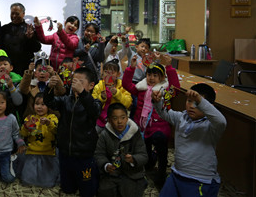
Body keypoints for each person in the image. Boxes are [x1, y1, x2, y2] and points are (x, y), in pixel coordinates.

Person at [152, 83, 227, 197]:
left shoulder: (212, 126)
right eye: (189, 101)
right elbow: (164, 113)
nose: (192, 106)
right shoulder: (181, 118)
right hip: (176, 174)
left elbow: (221, 121)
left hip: (199, 180)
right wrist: (158, 101)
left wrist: (201, 101)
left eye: (197, 104)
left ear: (208, 106)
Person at [121, 53, 180, 188]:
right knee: (144, 150)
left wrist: (169, 67)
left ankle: (161, 170)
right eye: (149, 75)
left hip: (159, 126)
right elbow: (126, 84)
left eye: (155, 76)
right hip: (143, 127)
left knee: (160, 144)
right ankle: (149, 161)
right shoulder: (141, 88)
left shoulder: (163, 91)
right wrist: (131, 68)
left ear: (161, 78)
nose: (151, 78)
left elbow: (175, 88)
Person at [44, 67, 101, 196]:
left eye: (80, 82)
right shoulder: (66, 100)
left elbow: (94, 111)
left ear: (91, 85)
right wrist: (49, 88)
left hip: (84, 154)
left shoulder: (94, 102)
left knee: (88, 191)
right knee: (67, 189)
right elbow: (49, 102)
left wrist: (82, 93)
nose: (75, 85)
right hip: (65, 152)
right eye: (74, 81)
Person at [94, 103, 148, 197]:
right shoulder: (105, 135)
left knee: (130, 192)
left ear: (127, 118)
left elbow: (143, 156)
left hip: (132, 174)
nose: (119, 122)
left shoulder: (135, 133)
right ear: (109, 120)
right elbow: (99, 154)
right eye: (115, 118)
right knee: (104, 191)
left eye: (123, 117)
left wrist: (133, 159)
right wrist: (106, 165)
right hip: (113, 173)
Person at [16, 92, 59, 188]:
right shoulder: (30, 118)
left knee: (48, 182)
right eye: (37, 104)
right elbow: (23, 134)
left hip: (48, 153)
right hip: (32, 153)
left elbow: (56, 130)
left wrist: (48, 123)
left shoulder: (52, 118)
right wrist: (26, 127)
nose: (39, 107)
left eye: (43, 104)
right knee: (27, 180)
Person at [0, 3, 41, 75]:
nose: (14, 16)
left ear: (23, 14)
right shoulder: (4, 29)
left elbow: (37, 48)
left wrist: (30, 39)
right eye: (12, 13)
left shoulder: (30, 29)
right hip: (7, 66)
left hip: (24, 67)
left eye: (17, 14)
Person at [92, 61, 132, 133]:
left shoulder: (123, 86)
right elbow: (93, 104)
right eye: (106, 72)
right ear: (102, 73)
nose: (109, 75)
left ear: (118, 74)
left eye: (112, 73)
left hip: (116, 123)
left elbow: (128, 103)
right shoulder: (98, 86)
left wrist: (117, 93)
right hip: (100, 121)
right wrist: (102, 98)